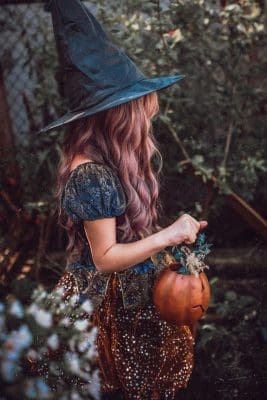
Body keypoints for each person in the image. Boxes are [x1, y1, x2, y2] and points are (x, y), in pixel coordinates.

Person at [40, 1, 208, 399]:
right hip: (109, 302)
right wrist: (168, 235)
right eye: (140, 109)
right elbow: (105, 257)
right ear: (117, 115)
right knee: (122, 379)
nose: (146, 119)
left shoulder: (102, 162)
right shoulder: (91, 175)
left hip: (127, 289)